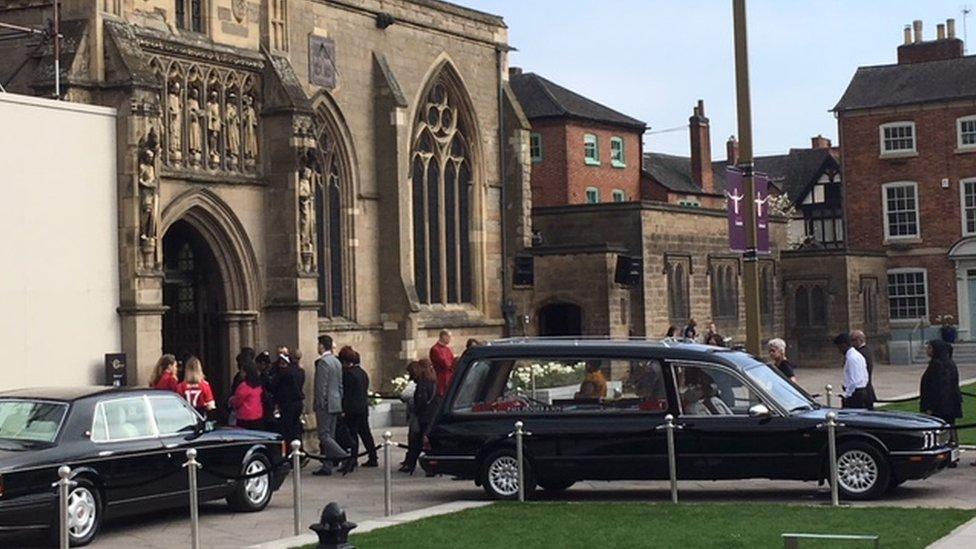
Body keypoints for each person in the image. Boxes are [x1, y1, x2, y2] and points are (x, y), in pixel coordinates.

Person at [338, 346, 378, 473]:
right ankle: (373, 457)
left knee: (352, 434)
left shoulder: (348, 374)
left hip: (352, 409)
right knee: (365, 433)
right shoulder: (362, 373)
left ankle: (352, 460)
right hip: (362, 407)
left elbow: (347, 393)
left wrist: (343, 408)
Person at [920, 340, 963, 451]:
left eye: (929, 348)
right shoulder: (950, 363)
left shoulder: (937, 365)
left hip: (941, 405)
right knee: (950, 426)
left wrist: (930, 407)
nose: (927, 351)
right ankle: (954, 450)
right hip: (951, 402)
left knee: (943, 428)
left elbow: (936, 388)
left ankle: (948, 451)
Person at [314, 335, 346, 476]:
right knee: (330, 436)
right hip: (335, 402)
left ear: (321, 346)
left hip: (325, 404)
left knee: (324, 436)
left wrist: (319, 403)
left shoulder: (323, 362)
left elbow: (321, 386)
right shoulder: (336, 362)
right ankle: (327, 465)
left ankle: (345, 456)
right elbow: (340, 385)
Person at [402, 359, 438, 474]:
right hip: (431, 416)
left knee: (416, 443)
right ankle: (431, 468)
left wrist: (416, 411)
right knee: (427, 444)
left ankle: (411, 464)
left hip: (423, 417)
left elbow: (421, 402)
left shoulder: (423, 384)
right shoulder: (433, 382)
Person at [268, 347, 305, 447]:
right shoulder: (300, 371)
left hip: (287, 404)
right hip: (298, 403)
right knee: (296, 428)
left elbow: (273, 386)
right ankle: (299, 451)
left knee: (287, 430)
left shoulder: (286, 372)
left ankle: (290, 452)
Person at [834, 333, 870, 408]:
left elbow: (854, 380)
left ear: (843, 345)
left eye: (839, 347)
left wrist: (847, 394)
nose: (839, 351)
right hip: (862, 390)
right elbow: (865, 376)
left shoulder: (852, 358)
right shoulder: (858, 356)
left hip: (855, 394)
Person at [230, 360, 265, 430]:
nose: (241, 373)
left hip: (245, 417)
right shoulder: (258, 385)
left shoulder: (244, 386)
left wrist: (230, 401)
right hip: (257, 416)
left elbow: (237, 401)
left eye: (242, 371)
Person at [851, 330, 877, 410]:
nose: (851, 343)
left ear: (860, 340)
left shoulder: (860, 354)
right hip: (867, 391)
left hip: (863, 393)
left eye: (853, 340)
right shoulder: (866, 351)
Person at [430, 330, 456, 397]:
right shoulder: (435, 349)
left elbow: (453, 361)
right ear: (444, 336)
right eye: (449, 337)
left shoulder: (447, 349)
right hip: (441, 378)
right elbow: (445, 363)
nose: (450, 339)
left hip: (449, 376)